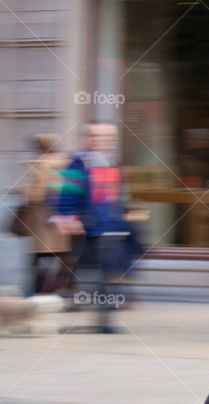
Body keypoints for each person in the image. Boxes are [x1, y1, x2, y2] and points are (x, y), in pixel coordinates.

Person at [57, 122, 129, 333]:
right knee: (91, 274)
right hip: (89, 229)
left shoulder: (111, 163)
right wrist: (67, 216)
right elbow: (67, 192)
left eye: (111, 136)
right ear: (91, 139)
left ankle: (103, 318)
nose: (109, 140)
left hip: (110, 228)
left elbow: (117, 194)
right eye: (103, 136)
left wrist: (123, 214)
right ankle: (94, 315)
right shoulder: (79, 164)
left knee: (106, 275)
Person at [16, 134, 70, 294]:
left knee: (40, 259)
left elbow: (35, 194)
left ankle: (39, 292)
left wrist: (25, 191)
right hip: (63, 219)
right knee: (63, 257)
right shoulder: (66, 164)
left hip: (43, 222)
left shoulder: (39, 165)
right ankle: (58, 290)